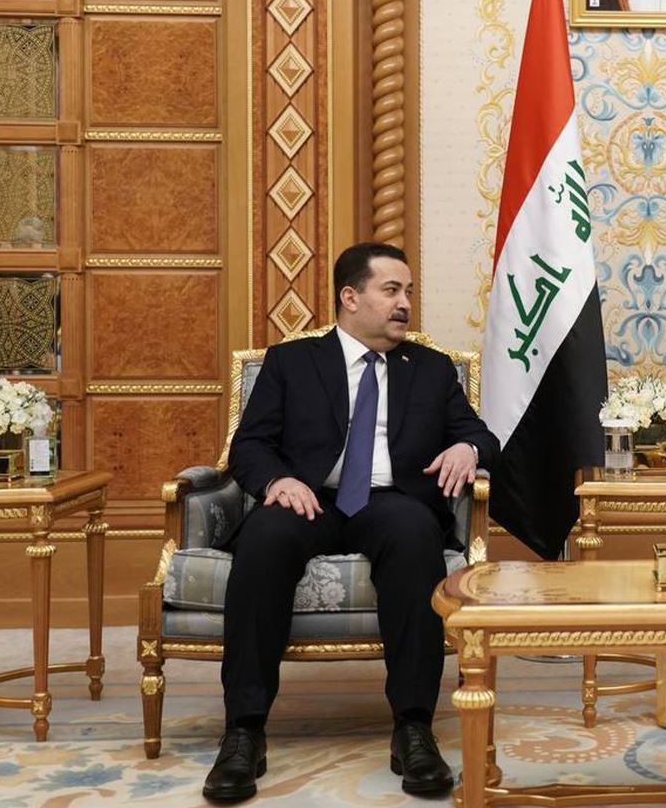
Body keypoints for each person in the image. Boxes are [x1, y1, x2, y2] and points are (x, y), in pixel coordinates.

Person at [203, 242, 499, 802]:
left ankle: (413, 729)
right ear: (350, 297)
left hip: (392, 500)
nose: (405, 303)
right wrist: (278, 482)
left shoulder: (430, 369)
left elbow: (482, 436)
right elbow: (250, 446)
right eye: (391, 290)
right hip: (309, 498)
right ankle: (243, 731)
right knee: (265, 537)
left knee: (416, 535)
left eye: (408, 291)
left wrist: (468, 448)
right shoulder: (292, 362)